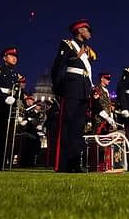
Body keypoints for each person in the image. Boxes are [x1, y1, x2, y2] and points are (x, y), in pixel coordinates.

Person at [51, 19, 97, 172]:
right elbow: (57, 67)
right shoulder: (68, 44)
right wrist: (58, 90)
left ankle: (75, 164)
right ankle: (63, 164)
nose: (89, 32)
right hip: (71, 88)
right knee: (67, 125)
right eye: (87, 29)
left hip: (83, 89)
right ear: (79, 30)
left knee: (78, 128)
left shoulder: (86, 48)